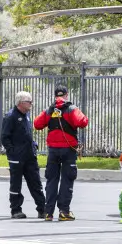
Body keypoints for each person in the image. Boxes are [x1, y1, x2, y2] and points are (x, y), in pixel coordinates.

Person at [34, 85, 89, 221]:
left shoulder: (49, 110)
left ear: (55, 96)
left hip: (53, 151)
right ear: (66, 95)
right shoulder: (71, 109)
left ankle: (48, 212)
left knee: (51, 180)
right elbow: (83, 122)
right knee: (67, 179)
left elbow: (37, 124)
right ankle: (64, 212)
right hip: (68, 150)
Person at [0, 90, 45, 219]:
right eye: (28, 101)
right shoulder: (11, 116)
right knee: (16, 184)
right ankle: (15, 210)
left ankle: (42, 209)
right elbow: (5, 137)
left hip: (30, 156)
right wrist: (12, 151)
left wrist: (33, 144)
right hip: (17, 157)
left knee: (35, 182)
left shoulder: (27, 115)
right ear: (20, 103)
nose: (31, 103)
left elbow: (26, 133)